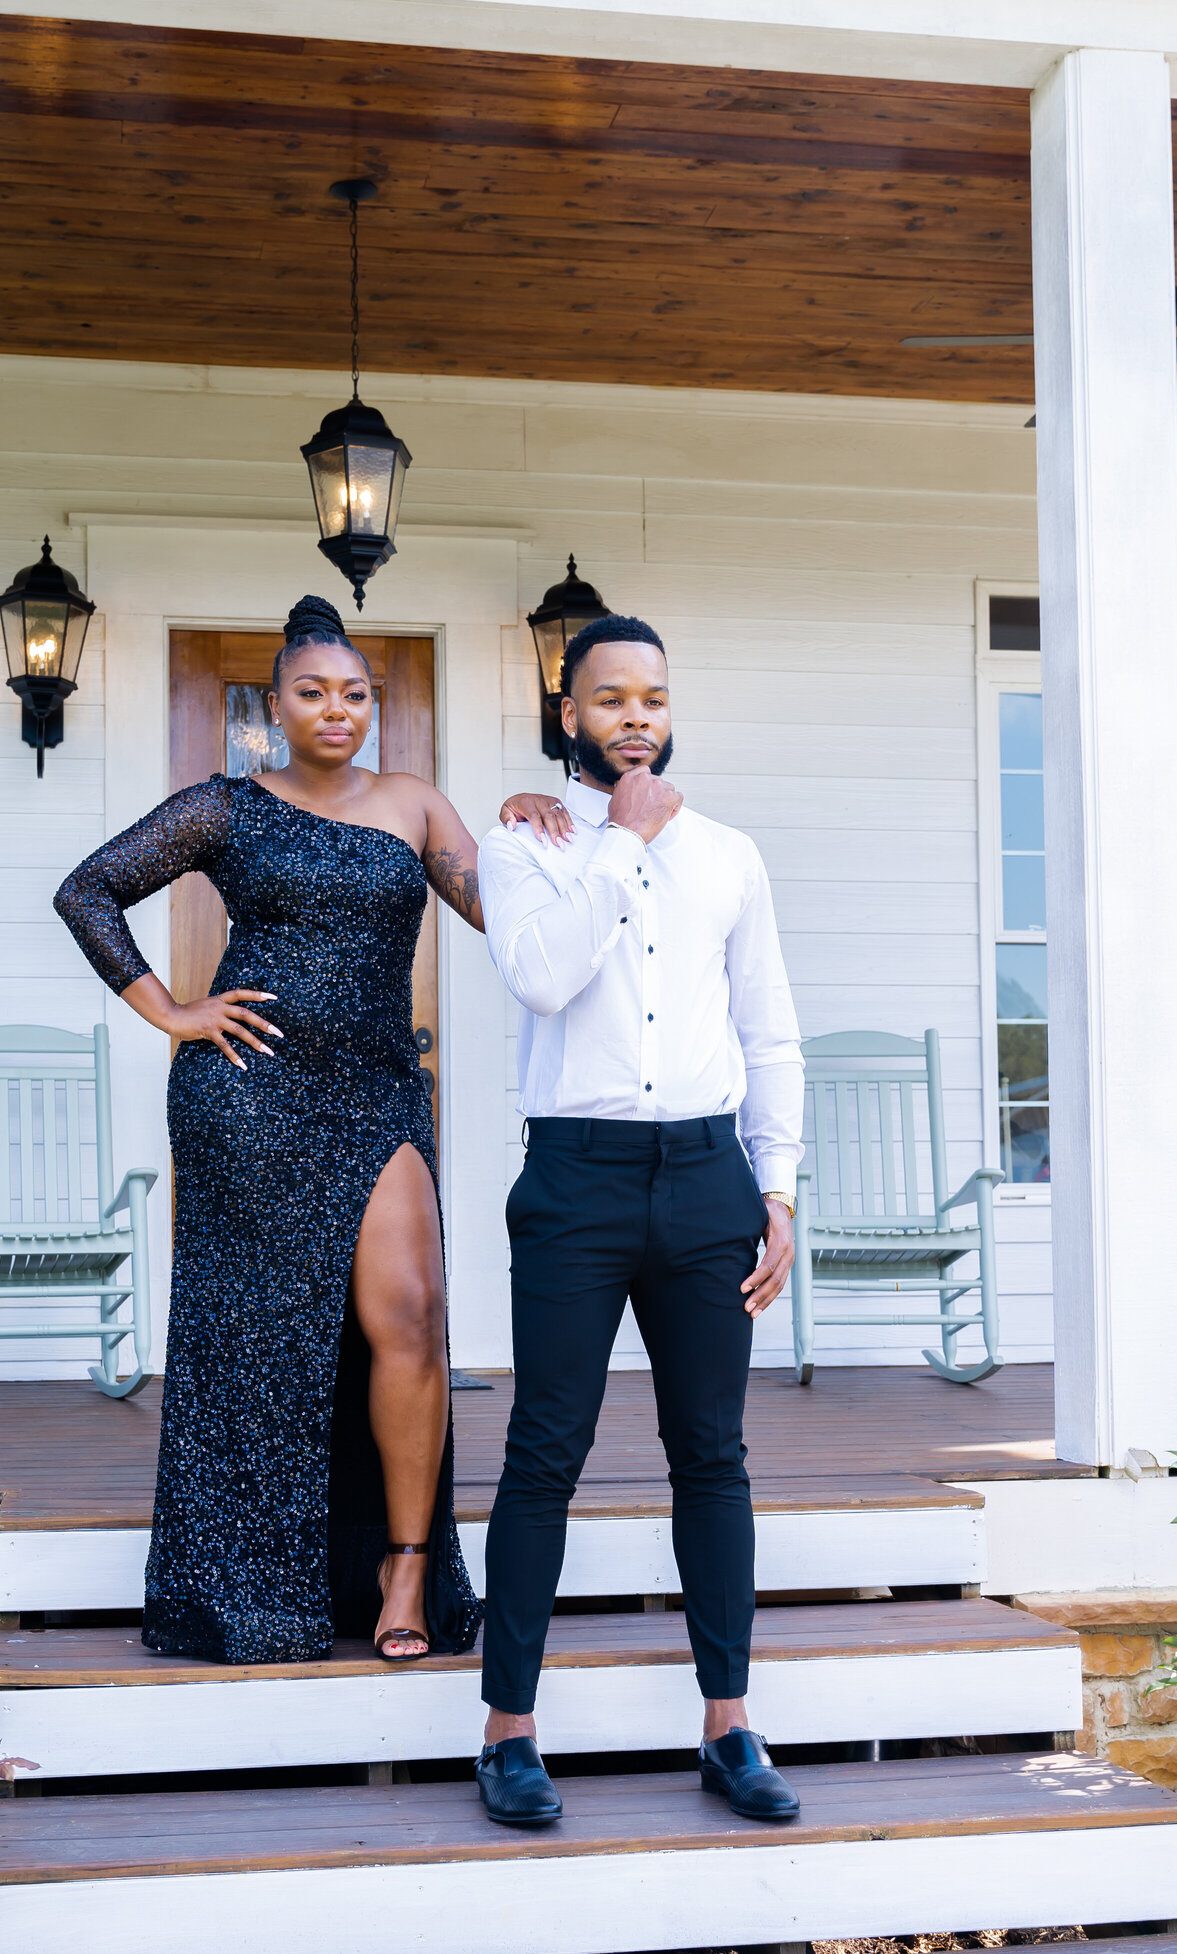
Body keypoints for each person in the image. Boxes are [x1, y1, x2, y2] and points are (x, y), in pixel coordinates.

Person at [53, 594, 570, 1666]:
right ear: (274, 707)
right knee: (258, 1342)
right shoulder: (225, 810)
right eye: (312, 693)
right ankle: (255, 1581)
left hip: (378, 1093)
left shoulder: (416, 804)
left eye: (355, 694)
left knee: (412, 1313)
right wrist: (172, 1009)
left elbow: (506, 917)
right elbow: (89, 889)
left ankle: (406, 1564)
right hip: (247, 1097)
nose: (337, 710)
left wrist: (532, 820)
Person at [473, 612, 805, 1825]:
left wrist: (775, 1188)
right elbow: (544, 978)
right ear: (569, 714)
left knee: (711, 1458)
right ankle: (509, 1732)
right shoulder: (527, 848)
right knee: (543, 1453)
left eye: (651, 699)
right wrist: (616, 843)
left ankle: (728, 1727)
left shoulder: (730, 855)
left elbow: (769, 1030)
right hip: (576, 1182)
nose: (634, 718)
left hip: (709, 1181)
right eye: (609, 699)